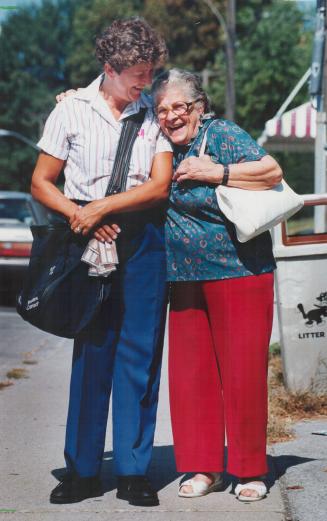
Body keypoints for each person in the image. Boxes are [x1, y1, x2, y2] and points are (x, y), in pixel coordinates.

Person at [31, 18, 173, 507]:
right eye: (137, 73)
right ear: (110, 68)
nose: (146, 82)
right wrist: (81, 215)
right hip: (84, 238)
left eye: (151, 72)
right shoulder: (71, 110)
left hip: (143, 240)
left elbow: (158, 184)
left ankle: (134, 471)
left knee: (140, 354)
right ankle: (83, 471)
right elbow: (42, 182)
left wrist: (104, 208)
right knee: (92, 351)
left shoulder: (152, 113)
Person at [150, 68, 282, 502]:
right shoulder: (158, 146)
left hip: (239, 271)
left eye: (179, 107)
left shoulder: (221, 134)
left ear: (199, 107)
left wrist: (218, 174)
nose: (170, 116)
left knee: (242, 375)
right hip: (184, 276)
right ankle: (204, 468)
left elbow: (271, 171)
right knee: (192, 378)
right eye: (162, 108)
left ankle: (249, 471)